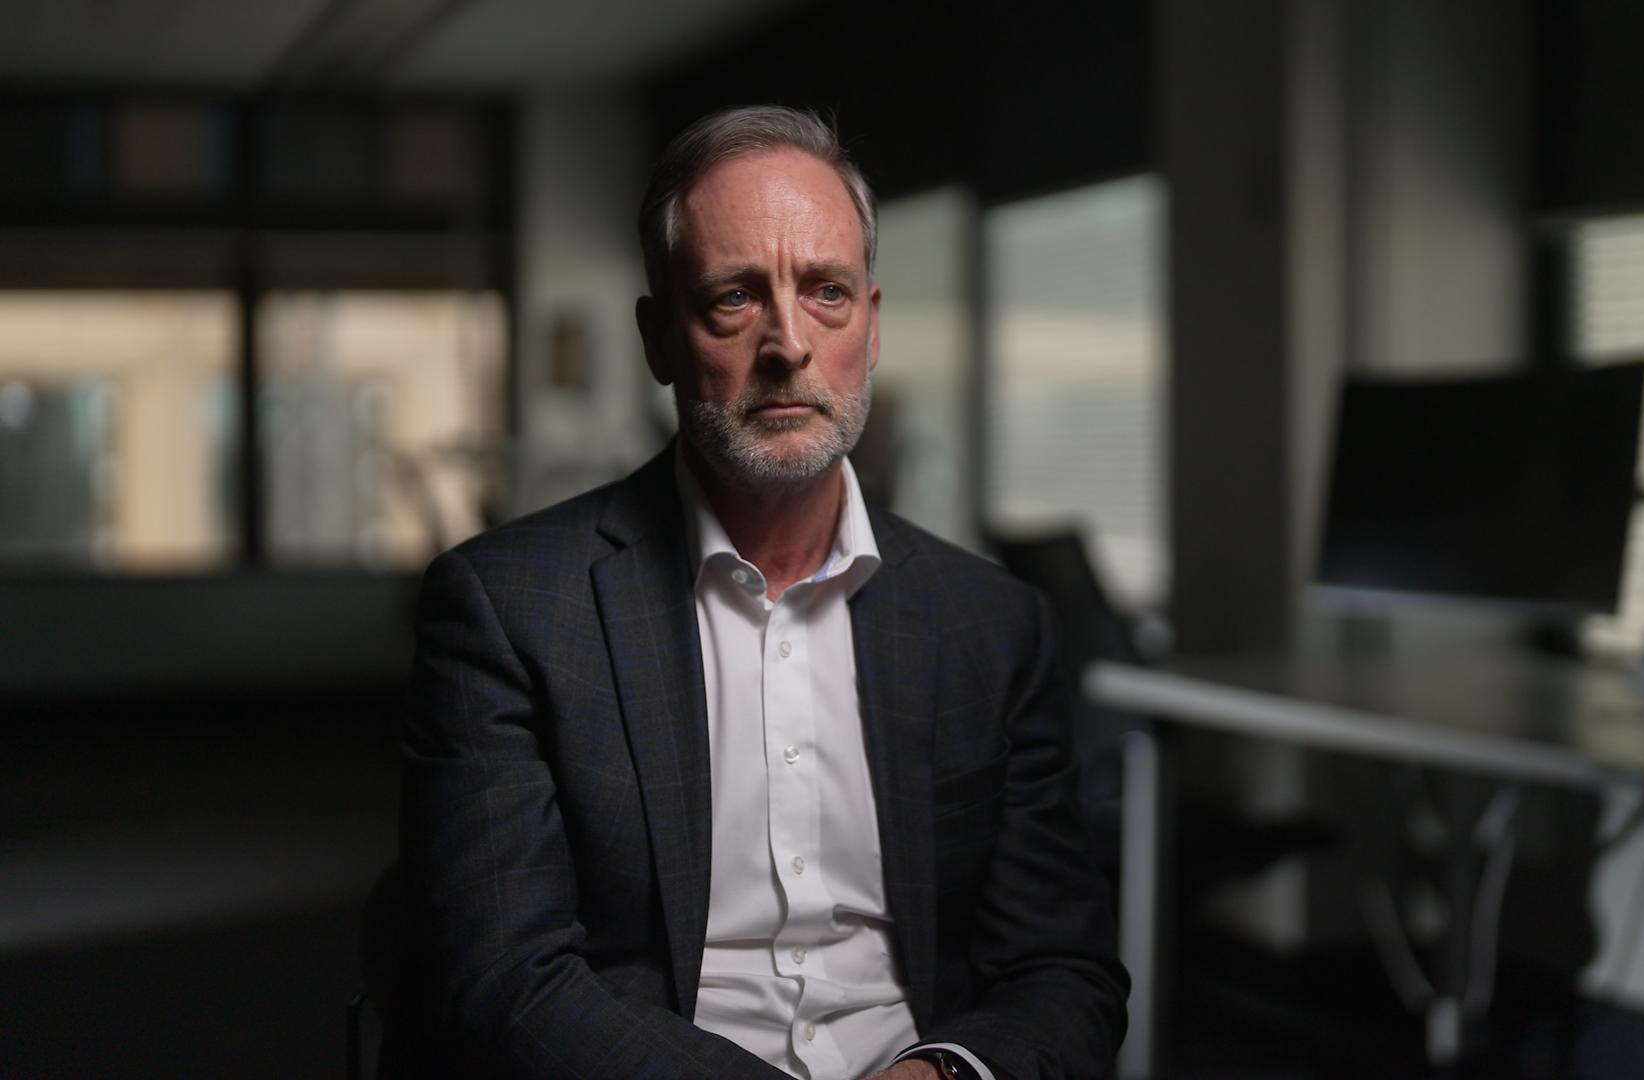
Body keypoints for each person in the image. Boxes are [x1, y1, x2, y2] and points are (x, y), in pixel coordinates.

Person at [401, 105, 1128, 1080]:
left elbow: (1063, 971)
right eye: (735, 298)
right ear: (660, 338)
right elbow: (506, 982)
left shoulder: (995, 628)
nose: (788, 342)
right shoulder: (506, 610)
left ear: (870, 328)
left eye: (826, 292)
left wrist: (945, 1073)